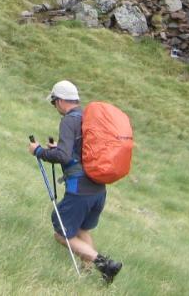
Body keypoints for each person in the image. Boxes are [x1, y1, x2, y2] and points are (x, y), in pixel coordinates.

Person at [30, 81, 121, 283]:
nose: (55, 107)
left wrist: (39, 151)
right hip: (98, 189)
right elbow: (79, 152)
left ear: (61, 100)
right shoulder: (87, 118)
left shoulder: (69, 121)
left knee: (60, 233)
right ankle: (89, 273)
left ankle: (105, 264)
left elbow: (62, 156)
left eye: (54, 102)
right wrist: (58, 148)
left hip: (80, 189)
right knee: (81, 230)